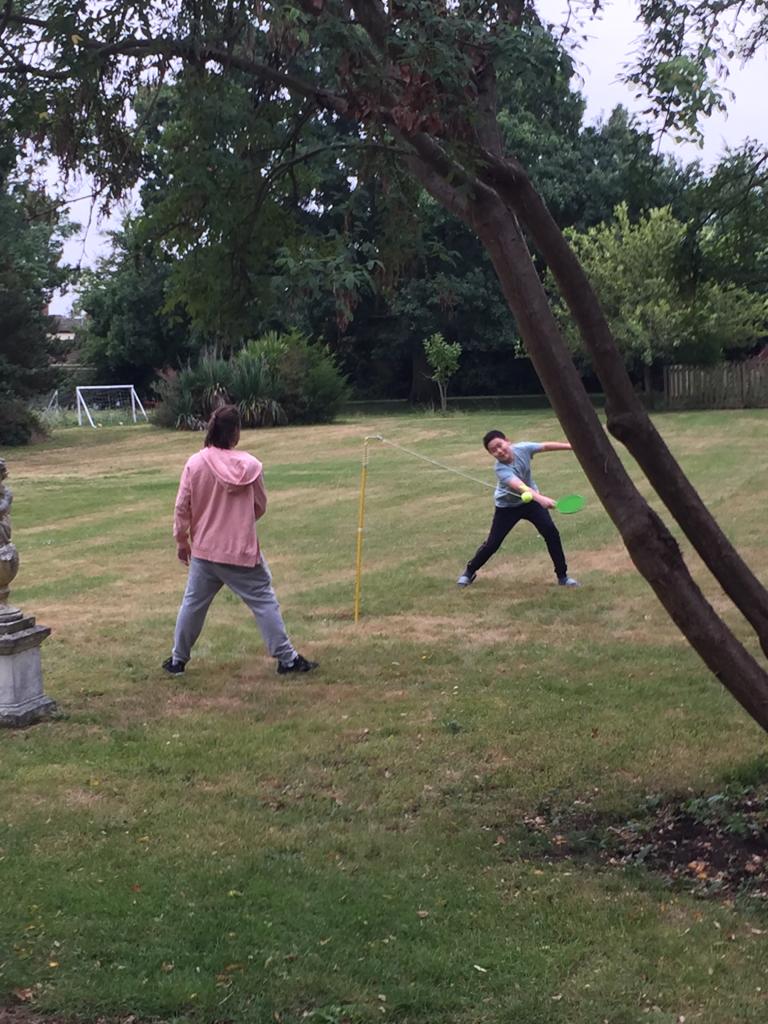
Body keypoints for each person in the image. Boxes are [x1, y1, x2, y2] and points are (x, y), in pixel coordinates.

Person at [162, 405, 318, 675]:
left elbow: (182, 507)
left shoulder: (195, 463)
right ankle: (288, 660)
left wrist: (181, 540)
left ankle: (177, 661)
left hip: (205, 552)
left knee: (193, 604)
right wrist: (240, 524)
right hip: (241, 552)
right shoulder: (251, 466)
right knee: (263, 601)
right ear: (235, 432)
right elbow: (260, 506)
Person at [457, 429, 580, 589]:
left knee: (551, 533)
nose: (499, 451)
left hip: (531, 504)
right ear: (491, 454)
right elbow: (520, 487)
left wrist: (571, 446)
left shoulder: (523, 448)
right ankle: (469, 571)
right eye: (493, 450)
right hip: (507, 508)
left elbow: (545, 446)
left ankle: (563, 576)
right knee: (493, 543)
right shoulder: (501, 469)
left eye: (500, 445)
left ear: (508, 441)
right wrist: (541, 499)